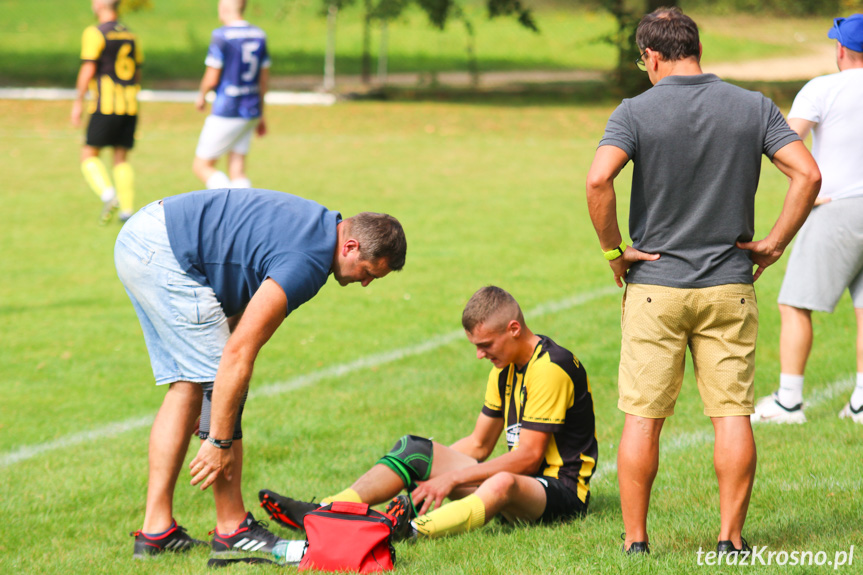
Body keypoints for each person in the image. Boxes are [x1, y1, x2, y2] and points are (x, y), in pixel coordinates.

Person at [585, 8, 821, 556]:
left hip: (654, 287)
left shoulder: (634, 112)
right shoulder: (753, 106)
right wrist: (775, 242)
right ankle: (730, 539)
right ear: (694, 47)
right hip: (729, 286)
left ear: (653, 56)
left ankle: (637, 543)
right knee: (731, 414)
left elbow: (599, 178)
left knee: (643, 418)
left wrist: (614, 252)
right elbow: (807, 174)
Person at [115, 188, 406, 558]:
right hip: (165, 252)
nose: (365, 284)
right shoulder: (309, 261)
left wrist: (213, 402)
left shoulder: (318, 225)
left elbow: (237, 302)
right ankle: (232, 530)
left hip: (148, 237)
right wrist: (218, 440)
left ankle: (157, 531)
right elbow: (237, 354)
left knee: (192, 386)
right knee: (215, 385)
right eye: (367, 273)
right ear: (349, 247)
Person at [258, 286, 598, 541]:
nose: (479, 355)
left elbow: (527, 458)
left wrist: (451, 478)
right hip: (518, 485)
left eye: (485, 345)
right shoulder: (504, 367)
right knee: (416, 449)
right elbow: (479, 444)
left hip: (559, 493)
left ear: (513, 329)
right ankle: (328, 512)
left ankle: (398, 532)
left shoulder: (552, 368)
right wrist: (432, 468)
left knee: (502, 481)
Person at [752, 14, 863, 426]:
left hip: (836, 207)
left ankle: (789, 402)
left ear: (840, 50)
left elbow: (786, 141)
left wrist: (807, 187)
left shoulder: (822, 88)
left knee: (795, 303)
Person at [71, 0, 142, 224]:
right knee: (121, 157)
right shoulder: (131, 35)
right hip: (130, 104)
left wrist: (78, 101)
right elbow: (137, 72)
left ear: (101, 4)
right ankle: (127, 210)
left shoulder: (95, 33)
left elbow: (88, 67)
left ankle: (109, 195)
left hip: (105, 104)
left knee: (88, 155)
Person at [193, 0, 269, 190]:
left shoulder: (221, 35)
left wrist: (201, 96)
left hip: (227, 109)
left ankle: (231, 207)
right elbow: (263, 80)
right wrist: (261, 113)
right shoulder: (259, 35)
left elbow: (211, 79)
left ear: (224, 7)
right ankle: (249, 213)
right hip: (250, 109)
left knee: (202, 166)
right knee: (237, 168)